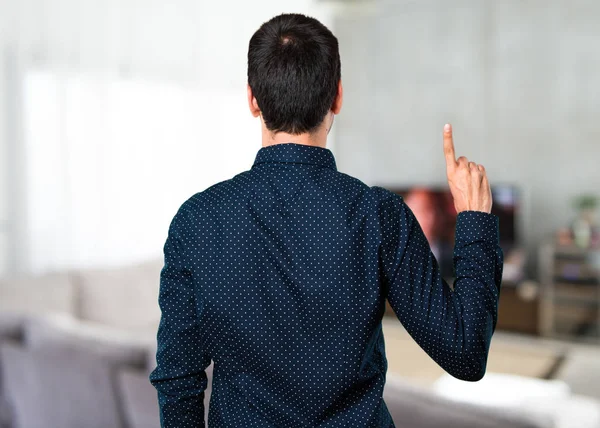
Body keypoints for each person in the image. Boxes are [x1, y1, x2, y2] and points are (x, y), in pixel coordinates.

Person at [149, 12, 503, 428]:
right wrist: (476, 220)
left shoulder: (197, 221)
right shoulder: (380, 216)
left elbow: (178, 381)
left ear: (252, 100)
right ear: (337, 97)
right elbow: (465, 353)